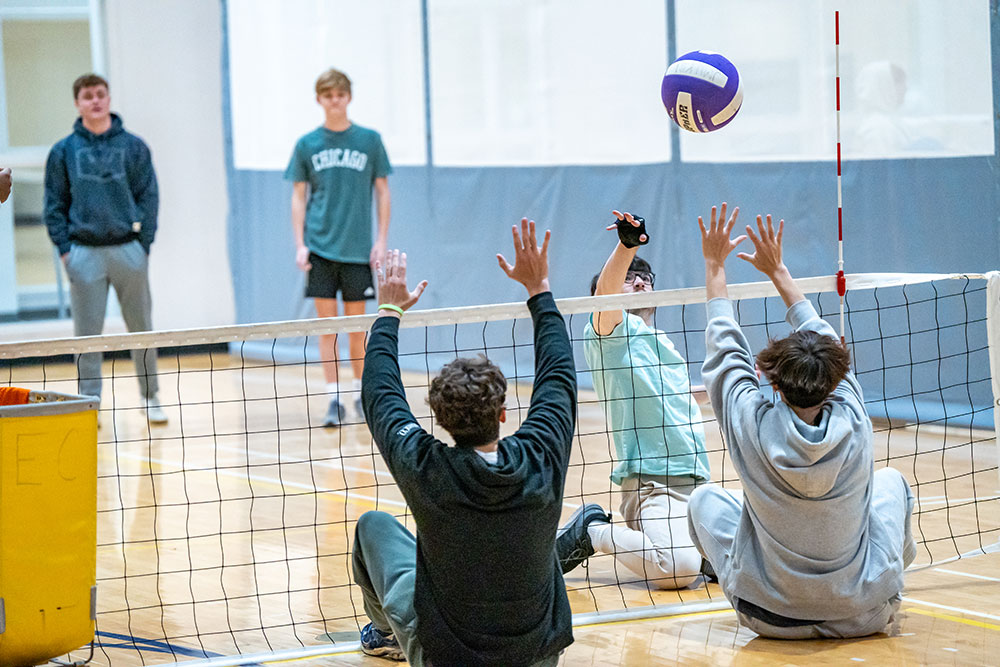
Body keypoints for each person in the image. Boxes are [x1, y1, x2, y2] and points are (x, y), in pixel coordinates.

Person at [353, 219, 575, 665]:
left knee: (372, 527)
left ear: (439, 420)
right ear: (503, 413)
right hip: (537, 658)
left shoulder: (426, 468)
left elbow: (381, 396)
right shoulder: (541, 453)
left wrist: (389, 312)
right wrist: (539, 289)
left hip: (447, 659)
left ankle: (385, 635)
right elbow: (558, 375)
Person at [689, 204, 916, 638]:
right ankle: (880, 584)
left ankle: (756, 574)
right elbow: (827, 340)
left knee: (703, 500)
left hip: (770, 619)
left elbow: (724, 348)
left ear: (772, 383)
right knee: (892, 483)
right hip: (864, 614)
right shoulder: (853, 414)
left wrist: (715, 264)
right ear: (835, 380)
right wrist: (779, 271)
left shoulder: (748, 423)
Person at [555, 211, 709, 589]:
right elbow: (606, 295)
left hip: (700, 485)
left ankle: (709, 554)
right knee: (678, 568)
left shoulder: (661, 341)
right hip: (654, 486)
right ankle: (592, 531)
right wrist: (627, 245)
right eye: (630, 278)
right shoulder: (609, 332)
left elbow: (680, 396)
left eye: (647, 279)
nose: (641, 283)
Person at [43, 73, 166, 423]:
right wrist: (66, 250)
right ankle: (88, 402)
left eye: (100, 94)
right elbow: (54, 205)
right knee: (87, 336)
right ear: (77, 103)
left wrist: (144, 245)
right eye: (87, 96)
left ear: (109, 98)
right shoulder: (63, 151)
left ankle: (150, 396)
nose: (95, 100)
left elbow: (150, 197)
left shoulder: (134, 147)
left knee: (142, 328)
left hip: (129, 250)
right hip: (83, 253)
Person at [284, 67, 391, 428]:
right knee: (327, 327)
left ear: (348, 97)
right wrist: (300, 244)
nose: (335, 100)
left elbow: (382, 191)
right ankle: (333, 398)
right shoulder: (307, 144)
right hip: (321, 248)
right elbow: (299, 197)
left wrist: (380, 240)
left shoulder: (369, 141)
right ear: (319, 99)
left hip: (358, 250)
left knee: (357, 328)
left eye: (340, 94)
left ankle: (361, 396)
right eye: (328, 95)